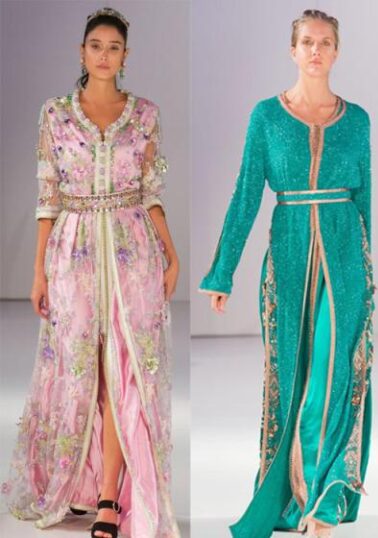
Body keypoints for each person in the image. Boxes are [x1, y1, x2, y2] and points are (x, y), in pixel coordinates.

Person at [1, 7, 181, 538]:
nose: (104, 55)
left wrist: (171, 253)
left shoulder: (144, 114)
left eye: (114, 47)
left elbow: (151, 192)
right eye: (96, 46)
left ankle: (108, 498)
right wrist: (38, 272)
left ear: (126, 56)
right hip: (73, 251)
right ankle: (78, 485)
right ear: (81, 53)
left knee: (124, 370)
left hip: (133, 250)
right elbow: (47, 195)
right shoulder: (55, 114)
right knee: (81, 369)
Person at [199, 9, 373, 538]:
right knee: (291, 377)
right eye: (307, 42)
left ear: (337, 52)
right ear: (292, 51)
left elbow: (364, 197)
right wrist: (222, 271)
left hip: (346, 257)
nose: (316, 50)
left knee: (333, 373)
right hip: (290, 254)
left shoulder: (358, 120)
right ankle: (293, 493)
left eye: (325, 42)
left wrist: (368, 273)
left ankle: (324, 497)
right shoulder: (267, 117)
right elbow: (246, 193)